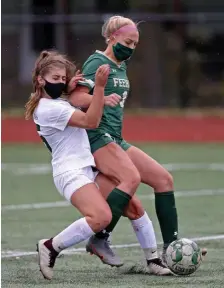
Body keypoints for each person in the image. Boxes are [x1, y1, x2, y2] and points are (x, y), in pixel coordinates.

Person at [69, 15, 179, 266]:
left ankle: (173, 249)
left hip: (116, 138)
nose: (130, 48)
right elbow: (76, 99)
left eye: (135, 44)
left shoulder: (120, 65)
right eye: (127, 42)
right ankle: (100, 237)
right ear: (112, 37)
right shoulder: (97, 61)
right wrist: (101, 98)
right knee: (131, 179)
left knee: (164, 180)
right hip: (97, 136)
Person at [24, 50, 123, 280]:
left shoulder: (56, 101)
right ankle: (50, 246)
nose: (60, 82)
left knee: (128, 197)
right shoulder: (49, 108)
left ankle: (153, 257)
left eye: (62, 78)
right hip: (70, 172)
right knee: (100, 218)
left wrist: (69, 92)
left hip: (84, 168)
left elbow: (71, 104)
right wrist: (99, 88)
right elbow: (92, 121)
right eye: (55, 78)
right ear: (41, 80)